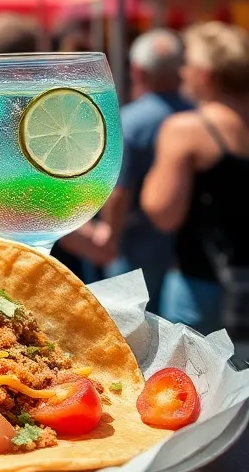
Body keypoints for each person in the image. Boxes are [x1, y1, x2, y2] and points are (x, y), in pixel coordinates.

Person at [142, 22, 249, 334]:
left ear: (204, 74)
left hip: (203, 287)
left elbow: (162, 213)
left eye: (185, 64)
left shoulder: (186, 129)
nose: (181, 72)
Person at [99, 30, 189, 310]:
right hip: (187, 251)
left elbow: (118, 191)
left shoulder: (131, 121)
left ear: (137, 71)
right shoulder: (200, 115)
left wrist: (108, 237)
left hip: (134, 248)